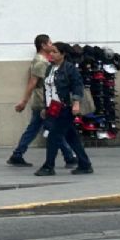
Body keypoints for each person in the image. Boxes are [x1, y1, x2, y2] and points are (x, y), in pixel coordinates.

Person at [7, 34, 76, 167]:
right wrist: (24, 101)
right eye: (50, 43)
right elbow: (32, 83)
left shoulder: (43, 60)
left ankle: (18, 154)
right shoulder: (41, 62)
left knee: (35, 128)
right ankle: (68, 155)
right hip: (43, 101)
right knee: (55, 128)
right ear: (43, 45)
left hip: (45, 100)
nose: (52, 46)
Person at [34, 42, 93, 177]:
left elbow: (77, 86)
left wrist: (76, 103)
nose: (51, 54)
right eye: (51, 52)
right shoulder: (49, 69)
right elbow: (47, 89)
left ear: (63, 54)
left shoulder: (69, 68)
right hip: (53, 108)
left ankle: (49, 166)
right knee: (72, 137)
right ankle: (85, 164)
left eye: (55, 52)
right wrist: (45, 107)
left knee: (53, 136)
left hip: (65, 108)